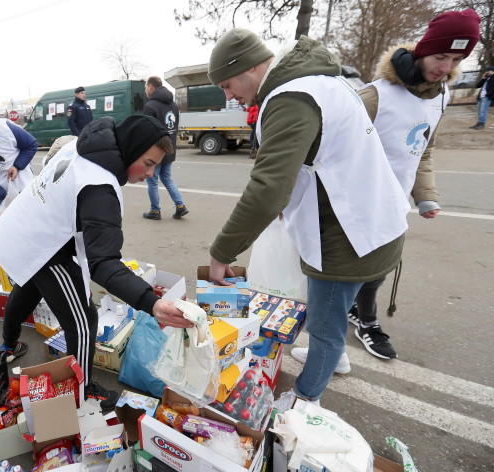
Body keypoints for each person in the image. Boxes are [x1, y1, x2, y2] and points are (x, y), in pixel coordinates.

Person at [206, 29, 410, 402]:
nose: (229, 95)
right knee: (328, 311)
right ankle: (335, 361)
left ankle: (305, 397)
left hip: (350, 235)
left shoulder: (291, 97)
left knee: (325, 324)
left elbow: (267, 187)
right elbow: (325, 156)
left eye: (227, 84)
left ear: (250, 67)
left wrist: (223, 252)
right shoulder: (320, 83)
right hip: (372, 220)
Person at [292, 9, 480, 367]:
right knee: (332, 286)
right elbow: (329, 144)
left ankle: (362, 325)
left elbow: (424, 150)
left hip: (393, 207)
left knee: (374, 274)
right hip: (354, 207)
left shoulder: (440, 98)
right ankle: (335, 349)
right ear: (423, 49)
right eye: (441, 56)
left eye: (456, 60)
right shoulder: (375, 96)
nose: (445, 67)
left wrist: (425, 196)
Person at [0, 115, 192, 410]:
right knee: (83, 322)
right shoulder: (100, 186)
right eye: (148, 163)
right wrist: (151, 303)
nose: (151, 174)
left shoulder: (85, 146)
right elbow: (104, 263)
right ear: (132, 150)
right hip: (42, 244)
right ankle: (80, 395)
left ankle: (8, 344)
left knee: (29, 286)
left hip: (18, 231)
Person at [141, 76, 188, 221]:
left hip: (155, 150)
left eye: (146, 88)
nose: (146, 91)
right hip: (170, 148)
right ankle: (180, 206)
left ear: (150, 87)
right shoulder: (173, 105)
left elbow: (147, 131)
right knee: (167, 177)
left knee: (152, 180)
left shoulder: (150, 106)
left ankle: (155, 211)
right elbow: (175, 127)